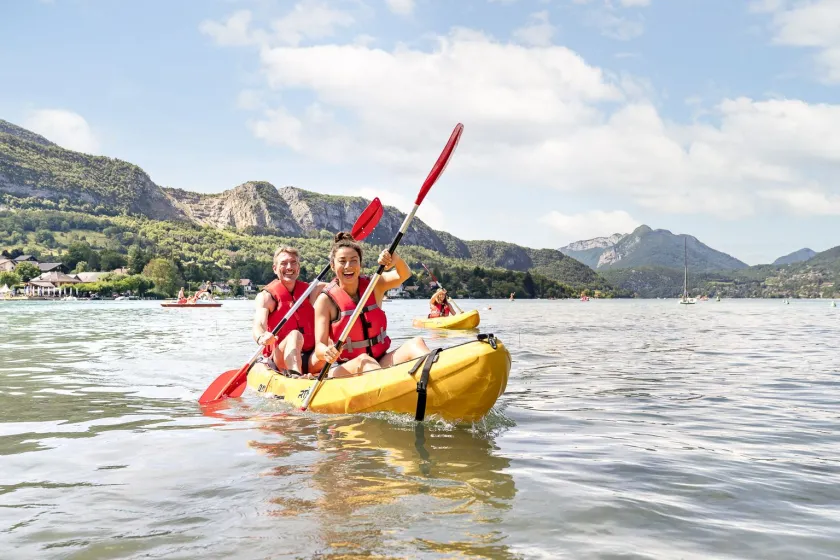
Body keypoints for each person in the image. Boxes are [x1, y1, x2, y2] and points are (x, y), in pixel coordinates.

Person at [314, 232, 430, 379]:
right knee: (365, 361)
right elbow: (319, 347)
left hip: (380, 361)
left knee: (416, 343)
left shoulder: (374, 285)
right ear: (332, 266)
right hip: (347, 368)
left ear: (360, 264)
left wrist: (396, 260)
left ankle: (437, 380)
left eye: (354, 260)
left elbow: (404, 274)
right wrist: (326, 352)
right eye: (342, 261)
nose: (348, 266)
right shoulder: (325, 301)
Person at [253, 246, 327, 376]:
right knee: (295, 335)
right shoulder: (266, 297)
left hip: (311, 358)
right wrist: (261, 336)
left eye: (293, 263)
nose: (289, 267)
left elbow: (344, 284)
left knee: (331, 343)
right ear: (275, 269)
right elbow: (258, 324)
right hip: (280, 358)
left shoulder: (311, 291)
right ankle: (296, 376)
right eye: (284, 263)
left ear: (298, 268)